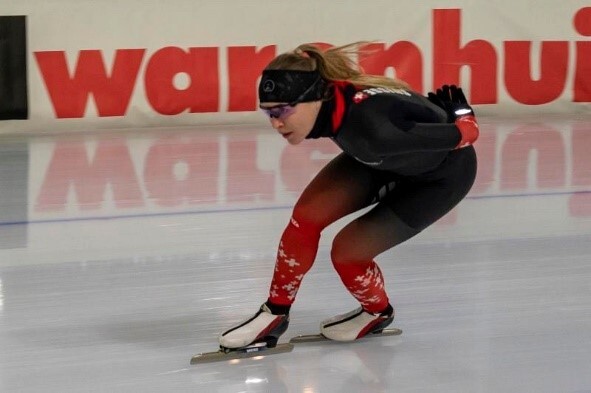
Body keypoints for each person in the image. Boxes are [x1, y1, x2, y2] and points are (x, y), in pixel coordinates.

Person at [218, 42, 479, 349]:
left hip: (439, 178)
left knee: (347, 253)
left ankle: (377, 312)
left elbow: (467, 135)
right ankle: (275, 314)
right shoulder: (332, 97)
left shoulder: (372, 130)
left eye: (283, 110)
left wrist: (462, 114)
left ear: (315, 98)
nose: (276, 122)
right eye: (269, 113)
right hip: (384, 158)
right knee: (306, 218)